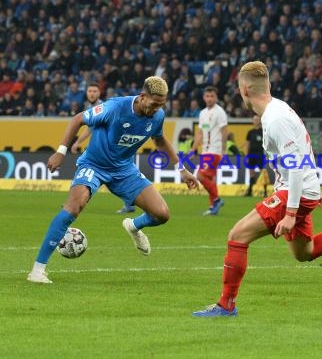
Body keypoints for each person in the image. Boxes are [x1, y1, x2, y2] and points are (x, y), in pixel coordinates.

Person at [192, 61, 322, 317]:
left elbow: (297, 162)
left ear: (244, 90)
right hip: (299, 190)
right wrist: (310, 189)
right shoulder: (278, 110)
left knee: (238, 236)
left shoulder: (275, 118)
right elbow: (300, 154)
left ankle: (226, 305)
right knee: (305, 252)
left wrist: (291, 212)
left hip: (293, 193)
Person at [27, 76, 199, 284]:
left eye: (161, 105)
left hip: (124, 170)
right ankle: (37, 270)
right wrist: (61, 152)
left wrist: (181, 169)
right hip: (94, 165)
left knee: (161, 214)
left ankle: (134, 226)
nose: (157, 109)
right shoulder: (115, 107)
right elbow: (78, 119)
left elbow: (160, 140)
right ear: (142, 97)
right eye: (154, 104)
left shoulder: (158, 115)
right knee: (73, 207)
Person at [70, 82, 136, 214]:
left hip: (111, 149)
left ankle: (74, 202)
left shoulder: (102, 106)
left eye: (94, 91)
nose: (92, 93)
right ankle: (74, 201)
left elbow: (89, 128)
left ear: (99, 93)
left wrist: (77, 143)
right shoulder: (90, 106)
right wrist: (79, 142)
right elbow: (91, 128)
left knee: (97, 173)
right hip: (102, 147)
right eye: (89, 91)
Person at [192, 86, 228, 216]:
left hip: (214, 150)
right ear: (204, 97)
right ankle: (213, 206)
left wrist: (223, 150)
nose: (209, 99)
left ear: (216, 97)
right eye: (207, 96)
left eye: (212, 96)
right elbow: (200, 133)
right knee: (210, 179)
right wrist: (193, 149)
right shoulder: (202, 113)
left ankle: (217, 200)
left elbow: (224, 131)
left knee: (200, 176)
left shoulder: (219, 112)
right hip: (205, 151)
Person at [243, 114, 266, 197]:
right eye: (254, 119)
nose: (255, 121)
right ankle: (249, 191)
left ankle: (265, 191)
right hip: (251, 154)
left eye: (257, 119)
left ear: (260, 121)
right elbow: (248, 144)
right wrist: (247, 155)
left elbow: (266, 144)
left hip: (260, 154)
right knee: (251, 172)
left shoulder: (263, 131)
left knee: (262, 172)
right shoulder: (250, 132)